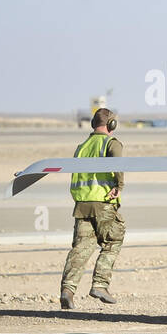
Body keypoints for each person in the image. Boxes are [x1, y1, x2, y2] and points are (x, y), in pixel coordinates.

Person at [60, 108, 126, 309]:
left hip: (82, 205)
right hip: (103, 203)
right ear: (111, 125)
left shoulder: (82, 147)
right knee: (113, 240)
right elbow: (118, 163)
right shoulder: (111, 143)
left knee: (80, 249)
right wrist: (119, 186)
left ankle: (67, 290)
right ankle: (100, 284)